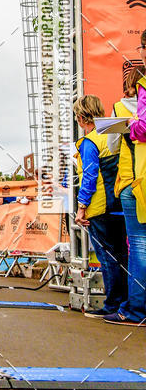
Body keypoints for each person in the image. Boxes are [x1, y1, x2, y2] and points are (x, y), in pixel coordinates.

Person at [73, 95, 127, 318]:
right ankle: (126, 303)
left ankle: (112, 304)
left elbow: (89, 177)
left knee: (107, 259)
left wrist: (81, 207)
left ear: (82, 116)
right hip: (120, 204)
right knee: (123, 256)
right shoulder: (113, 136)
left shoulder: (89, 142)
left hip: (99, 206)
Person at [104, 52, 146, 326]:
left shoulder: (119, 109)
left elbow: (112, 147)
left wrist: (128, 125)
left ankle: (136, 309)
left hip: (134, 179)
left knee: (138, 245)